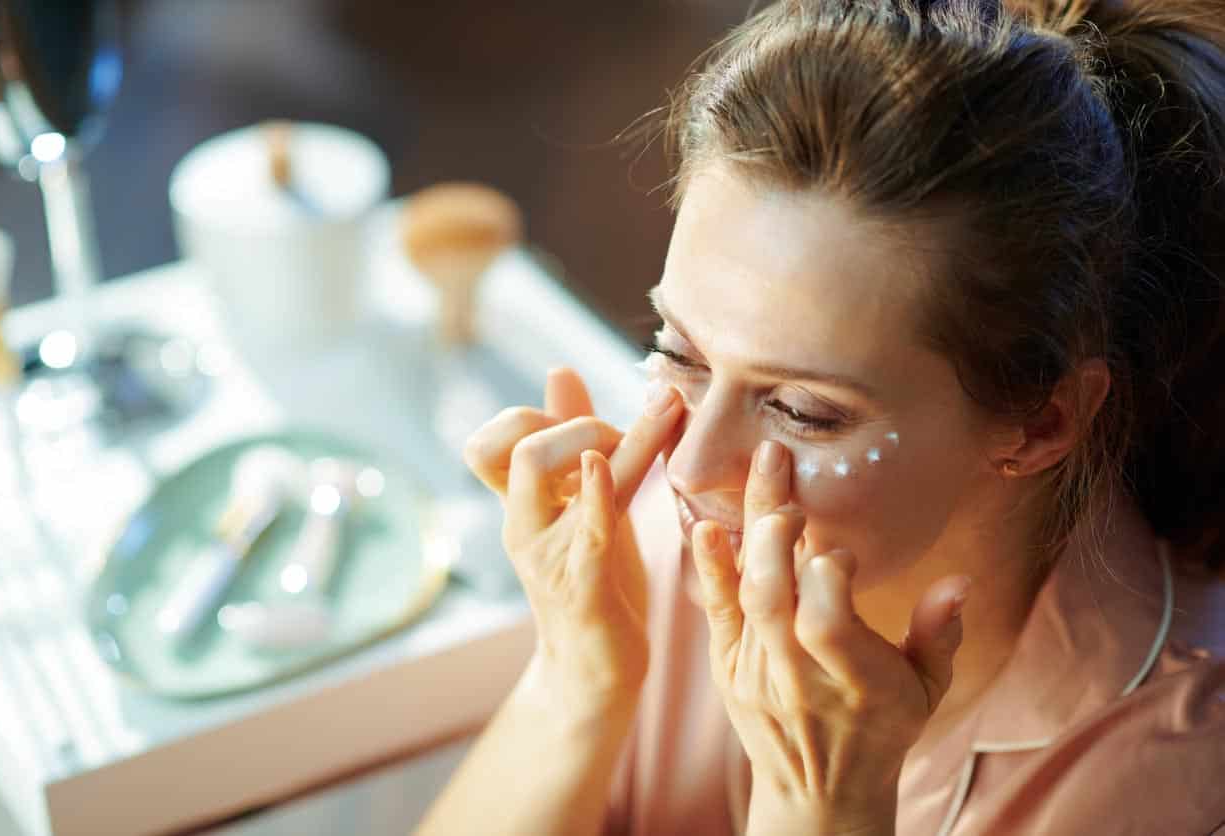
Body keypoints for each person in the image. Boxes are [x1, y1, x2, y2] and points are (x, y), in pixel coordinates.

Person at [414, 0, 1225, 833]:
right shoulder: (679, 541)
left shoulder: (1174, 773)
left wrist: (822, 813)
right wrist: (574, 676)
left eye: (802, 412)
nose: (688, 469)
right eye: (682, 353)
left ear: (1041, 422)